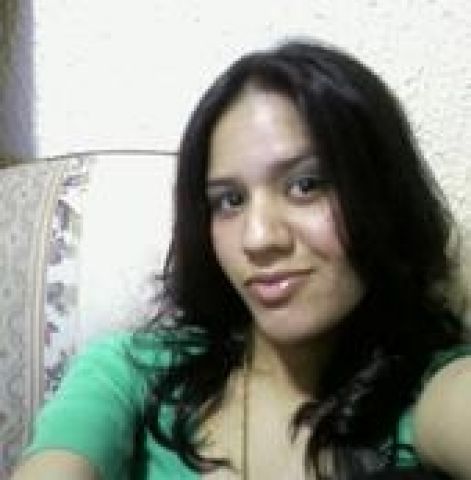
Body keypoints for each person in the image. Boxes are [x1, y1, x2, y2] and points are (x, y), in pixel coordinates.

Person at [12, 39, 471, 480]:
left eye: (306, 185)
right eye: (230, 200)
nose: (258, 239)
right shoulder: (130, 374)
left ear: (381, 195)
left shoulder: (431, 391)